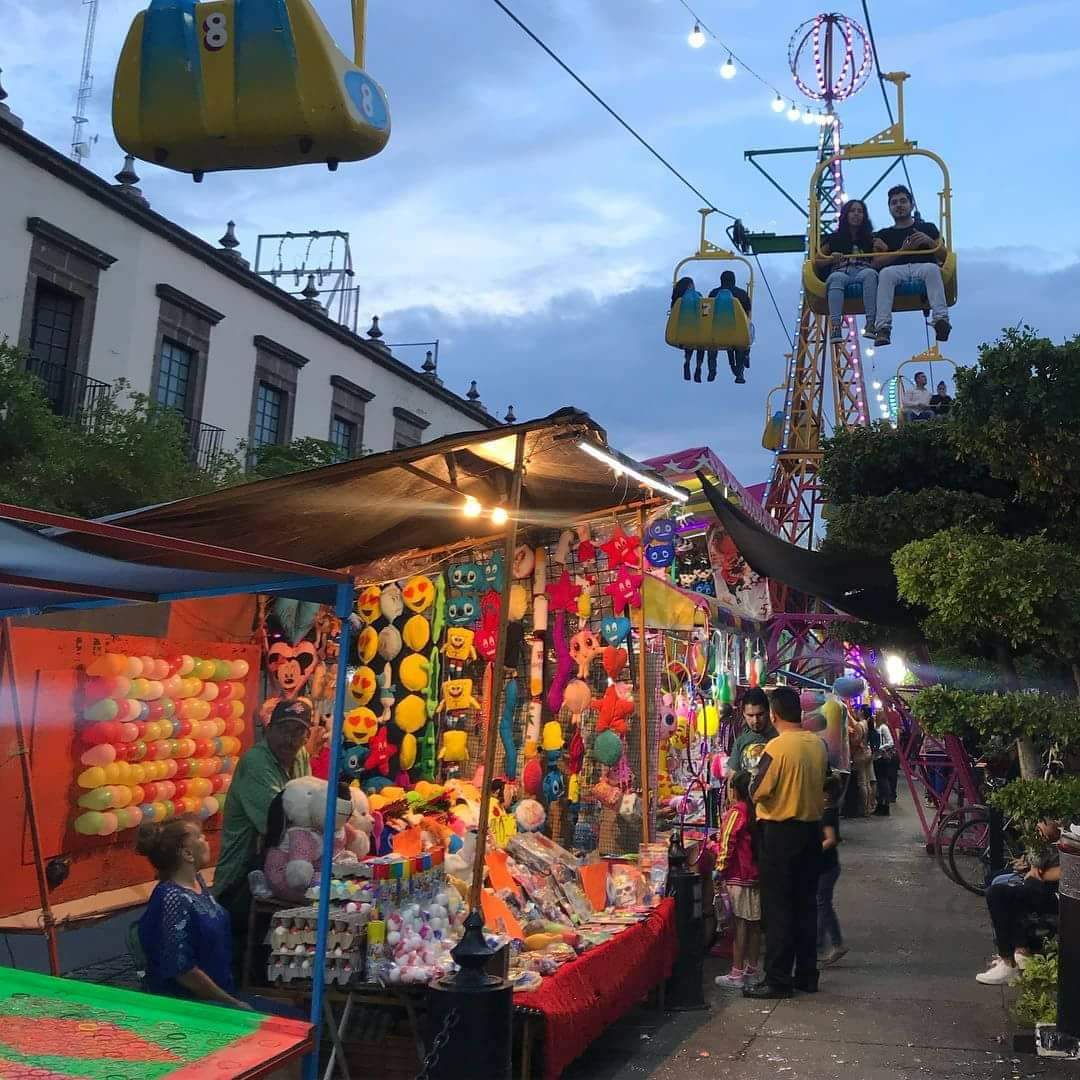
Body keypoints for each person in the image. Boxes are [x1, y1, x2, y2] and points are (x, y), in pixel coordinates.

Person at [214, 698, 313, 979]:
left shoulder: (300, 755)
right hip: (241, 880)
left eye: (297, 731)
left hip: (274, 870)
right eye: (283, 729)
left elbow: (306, 805)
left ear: (307, 735)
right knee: (243, 962)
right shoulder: (256, 762)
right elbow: (280, 824)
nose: (289, 738)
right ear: (268, 730)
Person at [745, 686, 829, 999]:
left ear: (774, 714)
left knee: (778, 908)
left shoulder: (777, 748)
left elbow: (758, 789)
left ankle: (778, 978)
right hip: (811, 832)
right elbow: (827, 782)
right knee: (806, 906)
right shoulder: (817, 745)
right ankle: (807, 974)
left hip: (780, 835)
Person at [136, 816, 252, 1009]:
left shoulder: (198, 882)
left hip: (223, 994)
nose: (206, 840)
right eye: (199, 837)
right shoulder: (172, 898)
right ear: (187, 854)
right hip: (190, 1008)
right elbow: (183, 971)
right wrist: (232, 1003)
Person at [975, 820, 1062, 985]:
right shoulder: (1055, 833)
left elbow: (1064, 871)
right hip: (1046, 888)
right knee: (1005, 889)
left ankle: (1010, 960)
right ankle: (1018, 953)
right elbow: (1036, 863)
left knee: (1000, 893)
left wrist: (1039, 871)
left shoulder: (1065, 830)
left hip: (1059, 896)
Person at [872, 185, 950, 347]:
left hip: (923, 266)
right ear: (889, 208)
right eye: (894, 203)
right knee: (885, 274)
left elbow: (945, 256)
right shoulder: (884, 235)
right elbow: (875, 263)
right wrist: (902, 251)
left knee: (932, 269)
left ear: (911, 205)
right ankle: (883, 328)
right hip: (897, 270)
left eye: (902, 201)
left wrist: (928, 242)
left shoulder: (927, 228)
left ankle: (941, 320)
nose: (899, 205)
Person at [714, 770, 762, 989]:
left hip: (738, 875)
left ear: (734, 790)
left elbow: (727, 842)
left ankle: (736, 973)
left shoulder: (736, 812)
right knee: (753, 923)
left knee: (740, 925)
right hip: (754, 875)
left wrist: (719, 867)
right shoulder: (755, 810)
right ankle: (752, 968)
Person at [815, 198, 881, 344]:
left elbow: (879, 258)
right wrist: (831, 259)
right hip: (842, 269)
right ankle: (836, 325)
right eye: (852, 211)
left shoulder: (870, 238)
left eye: (860, 211)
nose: (856, 214)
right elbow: (817, 261)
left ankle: (871, 322)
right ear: (846, 214)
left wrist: (881, 246)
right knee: (836, 279)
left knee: (871, 275)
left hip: (862, 269)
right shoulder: (834, 239)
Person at [818, 774, 847, 966]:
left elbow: (831, 839)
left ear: (826, 795)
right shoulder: (830, 811)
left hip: (827, 866)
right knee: (820, 902)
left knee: (823, 903)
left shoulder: (827, 815)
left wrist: (814, 849)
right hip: (829, 866)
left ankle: (836, 943)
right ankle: (819, 941)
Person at [707, 269, 752, 385]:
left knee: (711, 345)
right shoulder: (741, 294)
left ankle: (712, 369)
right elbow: (747, 312)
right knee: (744, 340)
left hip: (716, 332)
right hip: (736, 332)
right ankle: (740, 370)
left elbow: (707, 313)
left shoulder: (713, 294)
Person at [727, 687, 776, 779]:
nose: (755, 720)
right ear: (744, 714)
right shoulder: (741, 741)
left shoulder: (779, 736)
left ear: (768, 711)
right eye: (750, 715)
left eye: (760, 714)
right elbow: (732, 778)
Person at [671, 276, 705, 382]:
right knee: (701, 344)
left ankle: (687, 361)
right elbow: (705, 313)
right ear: (690, 285)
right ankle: (698, 367)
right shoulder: (698, 296)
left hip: (683, 331)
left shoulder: (677, 300)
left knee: (689, 343)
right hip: (697, 330)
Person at [872, 715, 897, 814]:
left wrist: (880, 747)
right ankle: (880, 804)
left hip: (882, 758)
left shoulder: (883, 727)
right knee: (880, 781)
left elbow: (891, 742)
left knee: (883, 781)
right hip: (878, 757)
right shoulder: (877, 727)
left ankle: (885, 805)